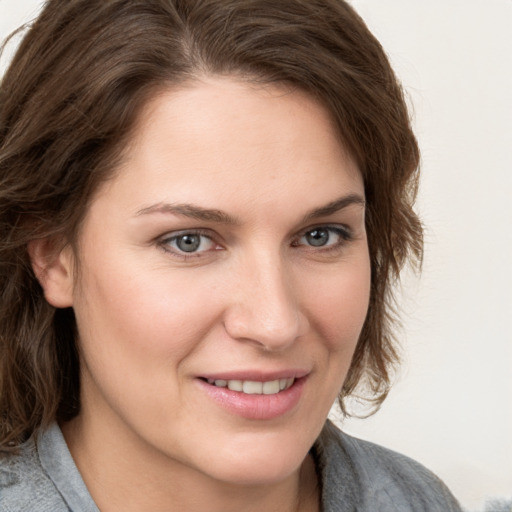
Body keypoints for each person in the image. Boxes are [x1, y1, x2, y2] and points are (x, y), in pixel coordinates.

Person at [0, 1, 462, 510]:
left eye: (320, 235)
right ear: (53, 256)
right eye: (189, 241)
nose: (274, 323)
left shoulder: (416, 500)